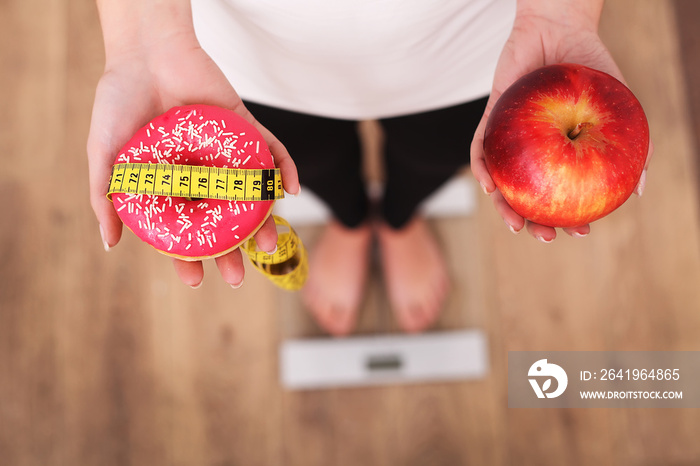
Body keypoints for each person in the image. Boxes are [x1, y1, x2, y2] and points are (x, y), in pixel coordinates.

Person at [88, 0, 651, 336]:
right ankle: (352, 221)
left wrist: (561, 10)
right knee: (304, 163)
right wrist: (144, 39)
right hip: (246, 50)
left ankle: (399, 218)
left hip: (481, 42)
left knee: (438, 153)